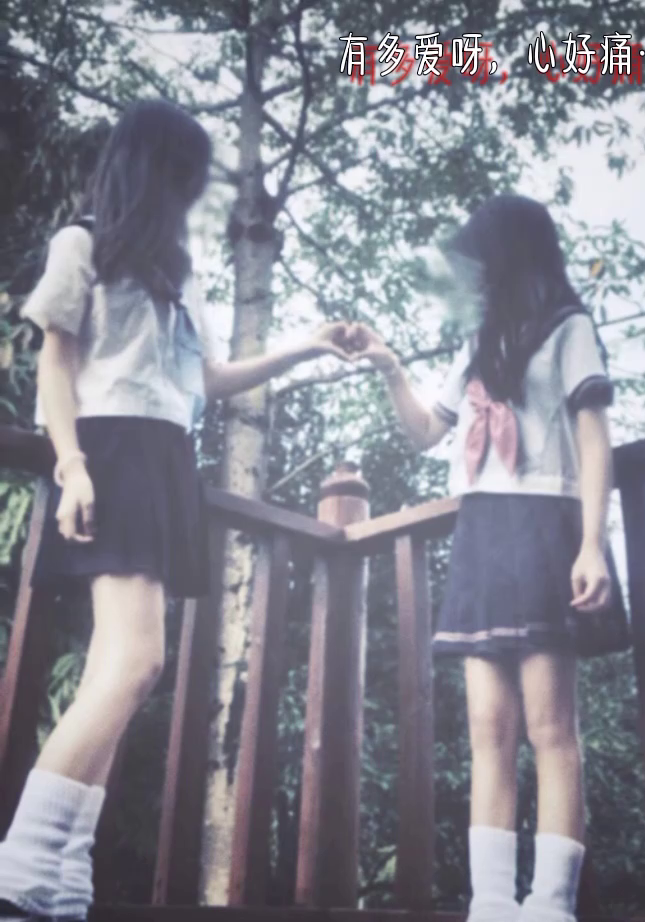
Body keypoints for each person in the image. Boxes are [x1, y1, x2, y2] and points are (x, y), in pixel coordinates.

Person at [0, 99, 352, 921]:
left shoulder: (175, 273)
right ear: (152, 168)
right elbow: (56, 365)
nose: (192, 194)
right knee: (137, 664)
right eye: (185, 175)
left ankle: (62, 878)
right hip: (110, 449)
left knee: (116, 672)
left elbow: (209, 379)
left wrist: (306, 345)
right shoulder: (83, 243)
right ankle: (20, 870)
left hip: (163, 458)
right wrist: (72, 464)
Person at [348, 194, 630, 922]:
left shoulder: (569, 328)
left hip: (546, 525)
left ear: (510, 255)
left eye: (480, 258)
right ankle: (494, 906)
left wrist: (593, 543)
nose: (473, 273)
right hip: (481, 532)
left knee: (550, 729)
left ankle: (550, 906)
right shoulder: (478, 344)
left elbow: (593, 438)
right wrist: (389, 366)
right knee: (488, 730)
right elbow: (425, 432)